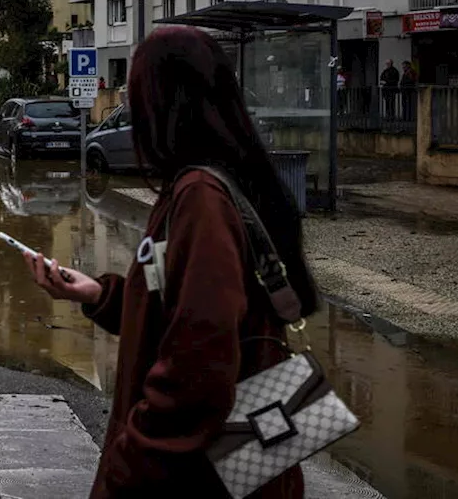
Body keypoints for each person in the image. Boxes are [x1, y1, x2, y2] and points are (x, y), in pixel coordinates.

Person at [21, 26, 318, 498]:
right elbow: (180, 309)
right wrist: (100, 295)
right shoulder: (221, 180)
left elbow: (196, 366)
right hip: (238, 467)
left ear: (164, 105)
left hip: (205, 476)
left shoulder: (201, 196)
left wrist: (125, 465)